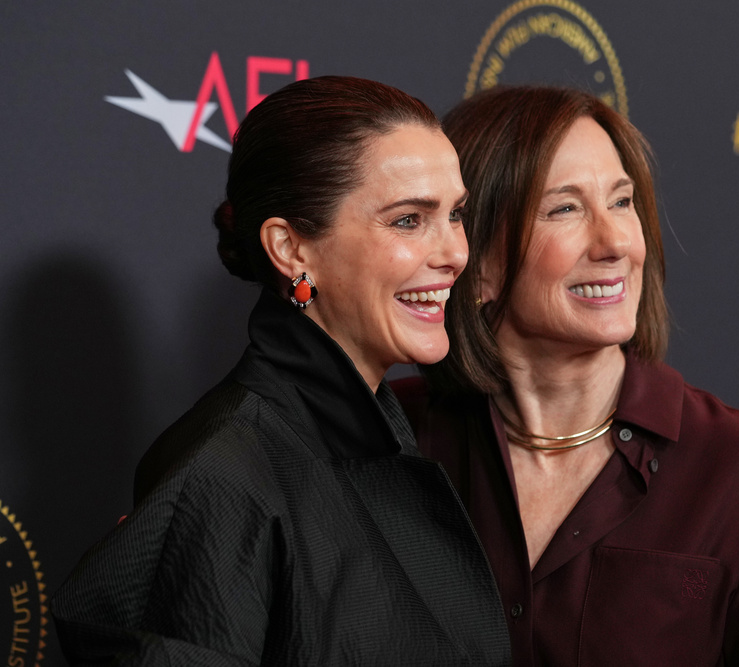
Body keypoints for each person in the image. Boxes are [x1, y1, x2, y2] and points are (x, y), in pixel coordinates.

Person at [394, 85, 739, 666]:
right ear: (477, 257)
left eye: (622, 202)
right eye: (565, 209)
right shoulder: (390, 440)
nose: (616, 242)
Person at [51, 76, 510, 665]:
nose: (454, 253)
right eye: (407, 220)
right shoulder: (223, 472)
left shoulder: (379, 438)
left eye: (455, 214)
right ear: (291, 249)